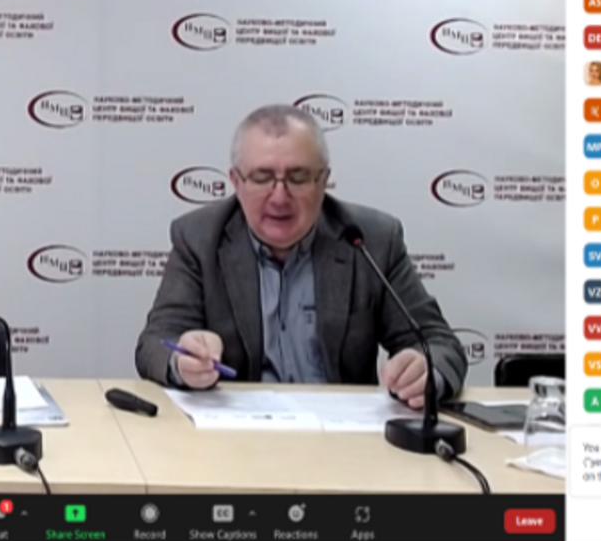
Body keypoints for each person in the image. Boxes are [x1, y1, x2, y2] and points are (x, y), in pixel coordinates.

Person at [136, 105, 466, 409]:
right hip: (233, 434)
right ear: (236, 181)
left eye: (298, 177)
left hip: (342, 436)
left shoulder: (371, 240)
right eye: (262, 177)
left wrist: (426, 370)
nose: (280, 197)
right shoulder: (199, 238)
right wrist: (181, 361)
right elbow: (155, 343)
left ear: (323, 181)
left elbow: (438, 343)